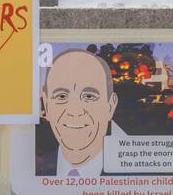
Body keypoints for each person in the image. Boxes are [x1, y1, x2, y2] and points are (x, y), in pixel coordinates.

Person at [35, 49, 120, 178]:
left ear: (110, 106)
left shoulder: (138, 177)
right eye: (61, 96)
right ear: (46, 105)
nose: (74, 111)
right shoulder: (33, 170)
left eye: (89, 96)